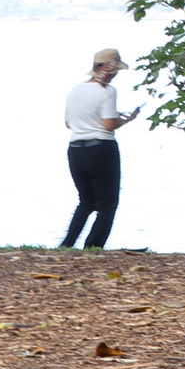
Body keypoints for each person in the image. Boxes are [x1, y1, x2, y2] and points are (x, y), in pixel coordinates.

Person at [60, 47, 138, 250]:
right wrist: (126, 120)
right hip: (101, 148)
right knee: (107, 204)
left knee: (85, 201)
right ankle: (93, 246)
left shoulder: (75, 90)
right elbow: (109, 125)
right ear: (108, 69)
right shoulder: (108, 91)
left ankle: (67, 244)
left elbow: (69, 123)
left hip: (76, 149)